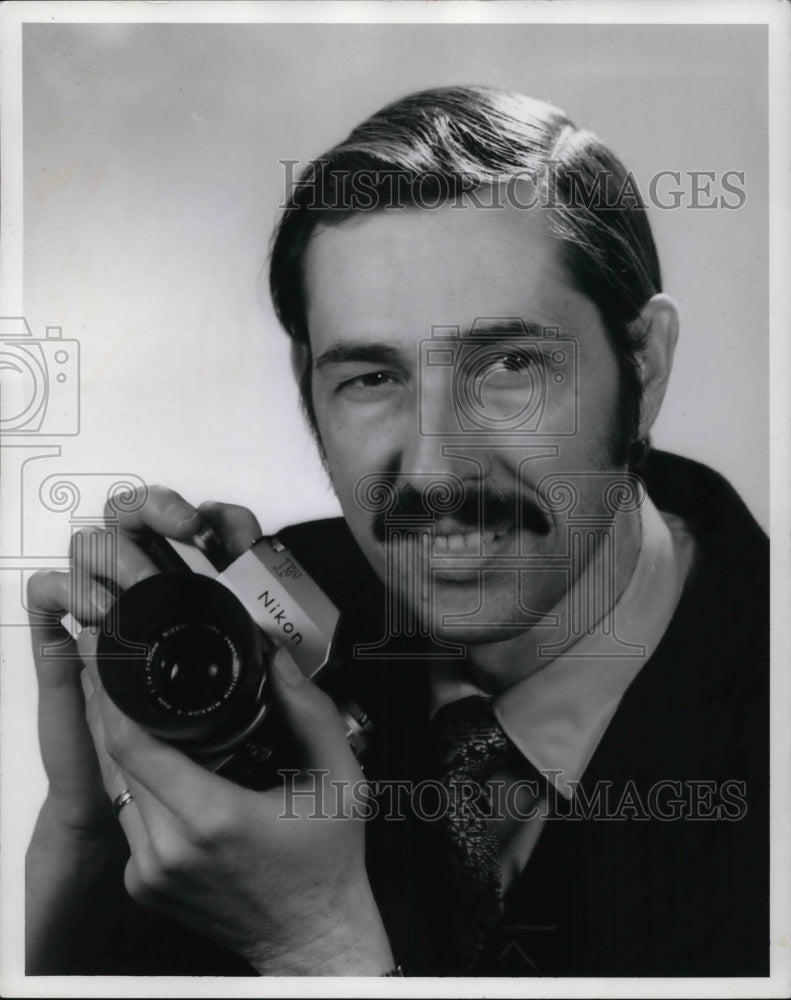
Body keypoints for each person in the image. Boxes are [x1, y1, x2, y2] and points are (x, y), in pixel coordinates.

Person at [25, 86, 768, 977]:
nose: (434, 472)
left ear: (642, 366)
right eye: (371, 378)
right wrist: (89, 831)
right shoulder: (257, 622)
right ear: (308, 388)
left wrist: (315, 946)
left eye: (509, 366)